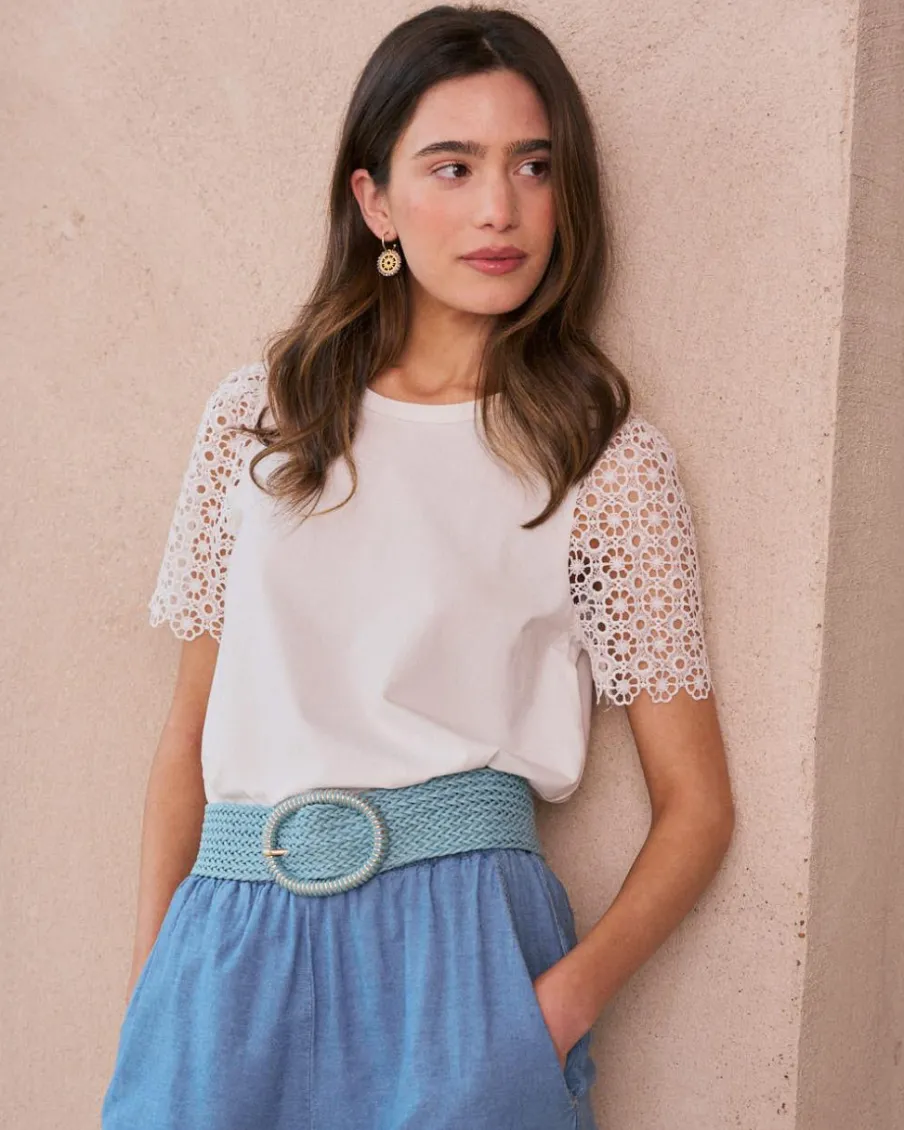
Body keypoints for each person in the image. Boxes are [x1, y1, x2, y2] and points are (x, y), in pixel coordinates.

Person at [101, 5, 734, 1128]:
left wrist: (546, 1015)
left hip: (462, 956)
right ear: (375, 201)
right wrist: (154, 994)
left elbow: (697, 808)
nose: (500, 208)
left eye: (534, 166)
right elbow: (186, 738)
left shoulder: (601, 459)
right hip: (225, 953)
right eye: (453, 166)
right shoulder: (257, 421)